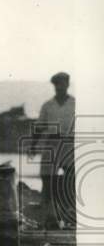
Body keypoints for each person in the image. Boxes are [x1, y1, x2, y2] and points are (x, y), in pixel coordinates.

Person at [35, 72, 76, 229]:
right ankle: (49, 218)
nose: (59, 86)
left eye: (62, 83)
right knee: (47, 180)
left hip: (70, 144)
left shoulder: (75, 103)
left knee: (71, 181)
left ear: (67, 84)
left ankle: (71, 217)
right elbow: (39, 127)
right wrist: (33, 145)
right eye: (57, 84)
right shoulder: (48, 105)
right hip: (52, 143)